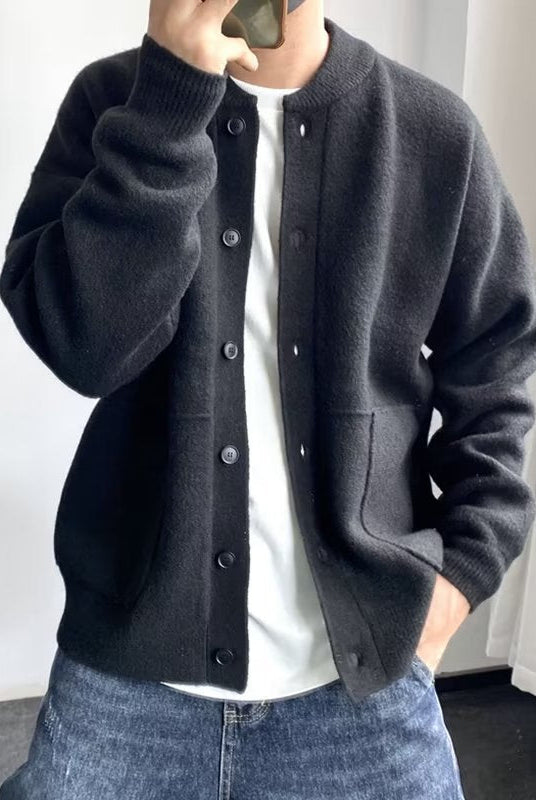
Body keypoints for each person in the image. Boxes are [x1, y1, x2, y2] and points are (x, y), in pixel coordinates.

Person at [2, 0, 536, 797]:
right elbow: (86, 347)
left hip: (365, 679)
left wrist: (461, 575)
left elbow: (495, 368)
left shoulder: (433, 130)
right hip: (126, 681)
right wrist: (170, 103)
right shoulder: (115, 102)